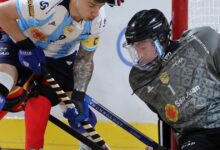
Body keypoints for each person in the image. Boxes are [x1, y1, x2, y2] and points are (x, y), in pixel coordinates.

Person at [0, 0, 124, 149]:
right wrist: (25, 45)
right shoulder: (46, 3)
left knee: (78, 114)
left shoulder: (98, 21)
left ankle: (87, 144)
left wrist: (78, 96)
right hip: (19, 42)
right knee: (3, 80)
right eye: (92, 5)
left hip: (59, 58)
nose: (96, 12)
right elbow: (2, 13)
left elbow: (85, 59)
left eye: (100, 6)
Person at [124, 9, 220, 150]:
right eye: (135, 49)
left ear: (161, 39)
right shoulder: (140, 80)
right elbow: (165, 118)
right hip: (195, 136)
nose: (140, 55)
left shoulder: (201, 42)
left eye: (143, 48)